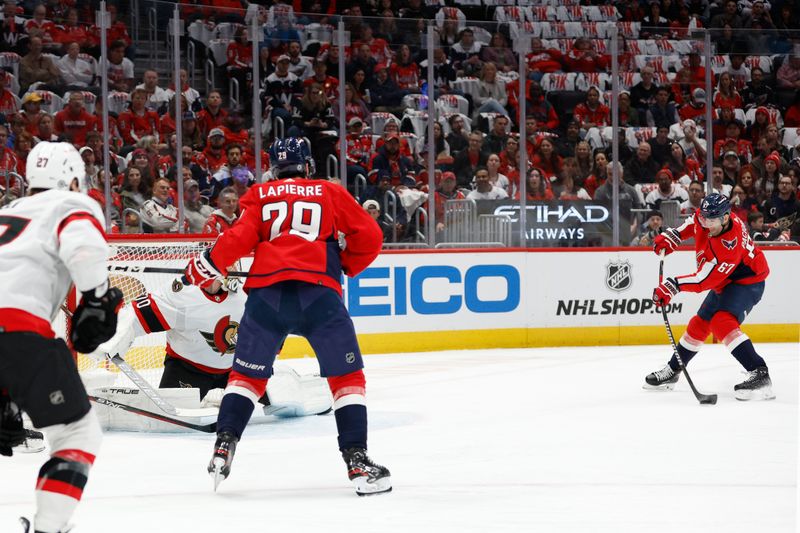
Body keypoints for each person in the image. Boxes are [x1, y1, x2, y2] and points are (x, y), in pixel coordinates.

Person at [183, 137, 390, 495]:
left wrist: (205, 268)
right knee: (347, 378)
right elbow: (370, 234)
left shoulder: (260, 195)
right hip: (319, 297)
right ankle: (357, 460)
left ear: (274, 169)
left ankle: (223, 445)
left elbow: (238, 238)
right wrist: (346, 262)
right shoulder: (328, 191)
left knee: (246, 378)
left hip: (267, 298)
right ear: (307, 166)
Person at [0, 141, 123, 532]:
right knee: (77, 433)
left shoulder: (6, 212)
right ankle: (49, 528)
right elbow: (84, 249)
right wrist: (98, 300)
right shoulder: (70, 205)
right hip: (18, 331)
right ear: (72, 179)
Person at [92, 273, 331, 416]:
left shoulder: (249, 294)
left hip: (239, 369)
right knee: (175, 411)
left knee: (285, 402)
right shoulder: (181, 295)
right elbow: (135, 314)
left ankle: (298, 386)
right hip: (187, 369)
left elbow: (276, 325)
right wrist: (112, 340)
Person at [646, 193, 774, 400]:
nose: (706, 224)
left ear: (725, 218)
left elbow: (704, 281)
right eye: (705, 218)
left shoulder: (729, 245)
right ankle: (672, 370)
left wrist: (672, 286)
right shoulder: (710, 215)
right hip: (727, 280)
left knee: (721, 322)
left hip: (748, 282)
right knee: (699, 324)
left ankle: (759, 373)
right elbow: (694, 222)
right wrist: (673, 237)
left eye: (711, 220)